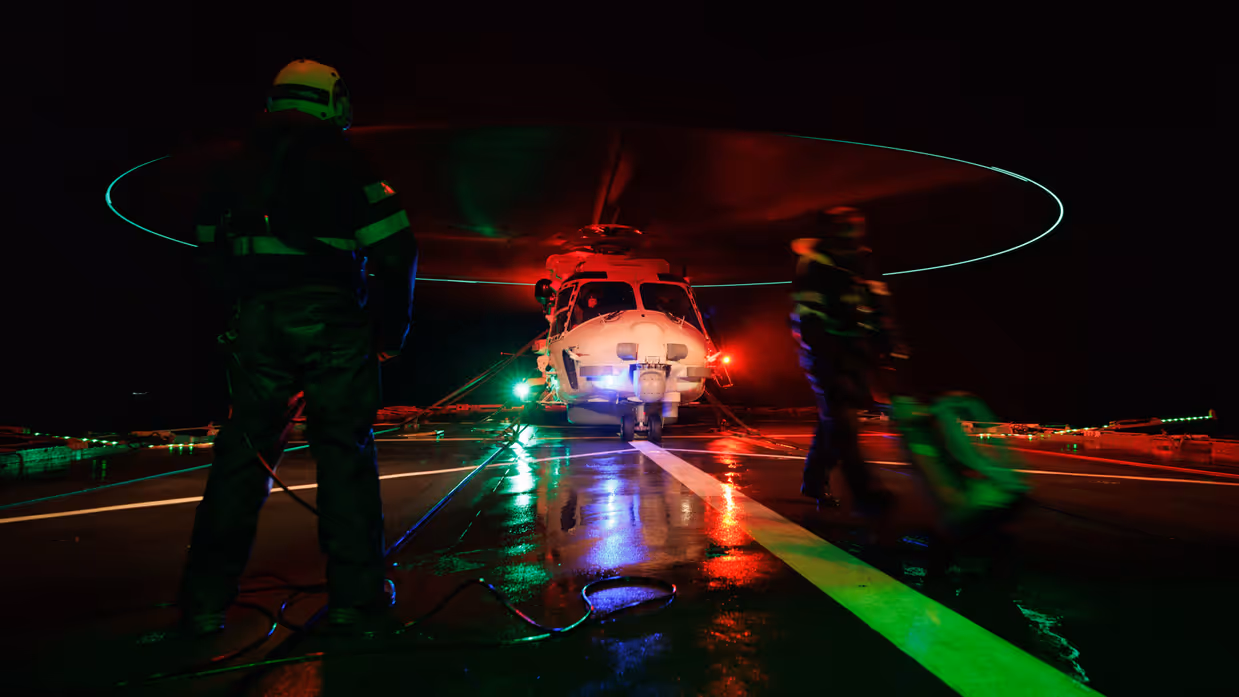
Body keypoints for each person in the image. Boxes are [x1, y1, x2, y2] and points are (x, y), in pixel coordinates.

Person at [180, 59, 418, 637]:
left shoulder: (233, 166)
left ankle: (204, 604)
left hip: (257, 325)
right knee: (345, 458)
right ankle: (354, 600)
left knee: (242, 461)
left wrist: (235, 321)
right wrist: (391, 333)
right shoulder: (347, 162)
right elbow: (397, 251)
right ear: (333, 102)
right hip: (333, 325)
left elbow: (207, 255)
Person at [789, 206, 905, 512]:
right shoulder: (816, 263)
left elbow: (879, 303)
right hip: (824, 353)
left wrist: (890, 342)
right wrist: (826, 354)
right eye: (846, 227)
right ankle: (866, 494)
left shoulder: (862, 260)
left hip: (855, 351)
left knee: (834, 420)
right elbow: (808, 317)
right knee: (843, 422)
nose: (853, 231)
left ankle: (813, 481)